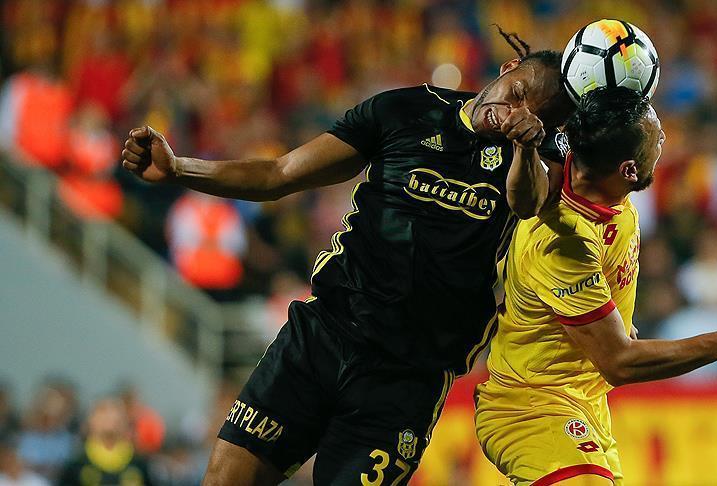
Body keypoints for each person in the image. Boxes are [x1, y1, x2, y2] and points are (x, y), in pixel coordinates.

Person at [120, 30, 574, 485]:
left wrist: (526, 146)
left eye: (533, 115)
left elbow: (527, 203)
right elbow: (280, 173)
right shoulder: (406, 110)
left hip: (406, 379)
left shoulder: (541, 158)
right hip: (323, 335)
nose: (514, 113)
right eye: (517, 94)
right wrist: (179, 168)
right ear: (508, 69)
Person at [474, 87, 717, 486]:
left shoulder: (591, 166)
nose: (663, 141)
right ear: (629, 169)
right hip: (530, 408)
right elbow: (619, 362)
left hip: (584, 402)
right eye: (656, 138)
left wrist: (611, 319)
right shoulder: (566, 245)